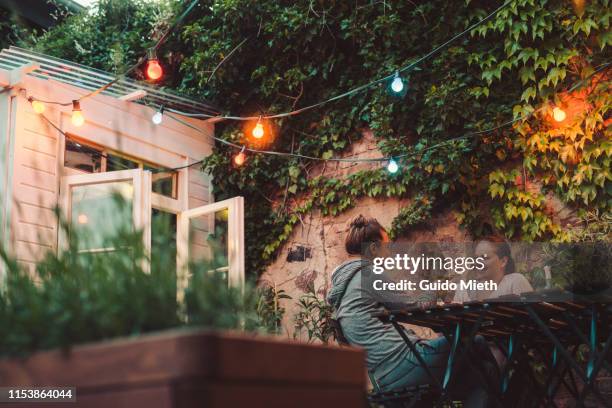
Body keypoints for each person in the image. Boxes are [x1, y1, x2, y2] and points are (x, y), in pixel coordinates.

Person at [327, 215, 497, 407]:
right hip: (406, 363)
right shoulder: (369, 274)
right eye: (387, 246)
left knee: (475, 381)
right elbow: (415, 309)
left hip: (382, 377)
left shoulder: (342, 284)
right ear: (373, 249)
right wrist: (434, 289)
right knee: (480, 346)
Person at [453, 236, 534, 303]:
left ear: (503, 261)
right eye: (476, 258)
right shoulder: (463, 290)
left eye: (485, 258)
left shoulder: (514, 282)